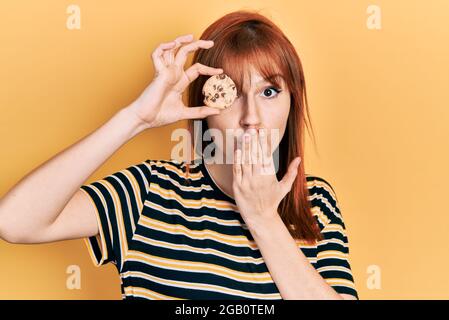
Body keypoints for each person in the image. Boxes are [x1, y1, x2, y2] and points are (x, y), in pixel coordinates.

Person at [0, 10, 358, 300]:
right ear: (205, 102)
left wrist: (264, 219)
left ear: (291, 102)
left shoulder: (315, 201)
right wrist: (136, 120)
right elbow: (14, 222)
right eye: (232, 93)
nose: (251, 118)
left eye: (268, 92)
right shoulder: (151, 191)